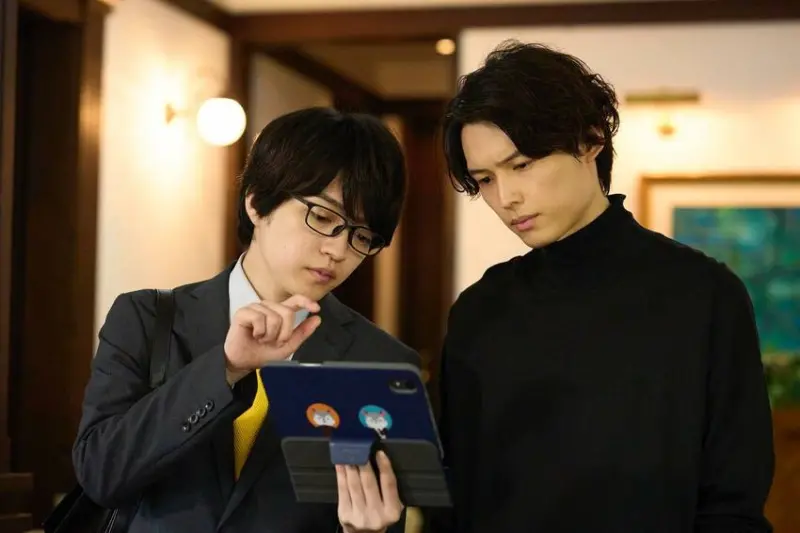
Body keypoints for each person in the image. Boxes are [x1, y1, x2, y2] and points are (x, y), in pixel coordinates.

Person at [427, 40, 774, 532]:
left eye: (521, 165)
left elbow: (733, 500)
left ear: (590, 141)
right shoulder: (481, 309)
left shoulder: (704, 295)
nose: (506, 197)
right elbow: (451, 492)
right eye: (484, 180)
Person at [73, 107, 416, 533]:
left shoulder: (380, 361)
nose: (338, 250)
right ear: (256, 201)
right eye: (323, 217)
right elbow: (101, 474)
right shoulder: (147, 319)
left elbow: (381, 509)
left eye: (361, 235)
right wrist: (226, 366)